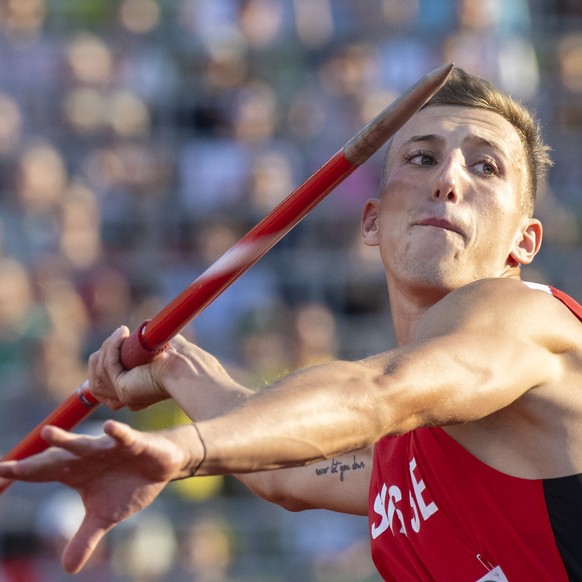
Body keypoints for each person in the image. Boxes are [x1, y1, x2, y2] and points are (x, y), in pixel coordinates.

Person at [1, 67, 581, 581]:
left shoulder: (526, 319)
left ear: (522, 243)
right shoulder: (409, 452)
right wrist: (176, 369)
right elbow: (290, 470)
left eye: (486, 165)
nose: (447, 180)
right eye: (422, 157)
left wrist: (182, 449)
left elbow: (374, 394)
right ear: (372, 221)